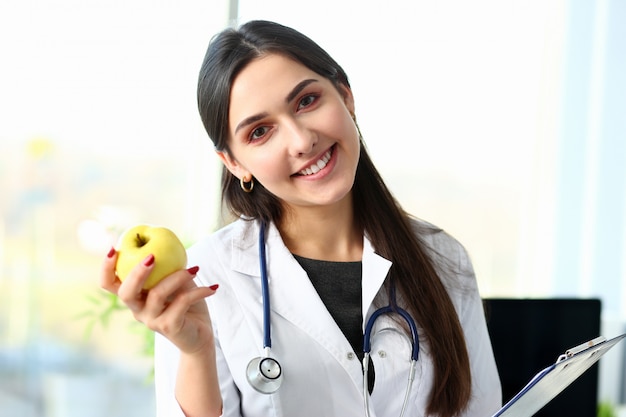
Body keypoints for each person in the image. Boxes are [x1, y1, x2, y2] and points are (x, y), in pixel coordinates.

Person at [100, 20, 501, 417]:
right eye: (260, 132)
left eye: (306, 101)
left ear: (346, 97)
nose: (301, 140)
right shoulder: (204, 279)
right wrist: (196, 351)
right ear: (235, 163)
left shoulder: (443, 258)